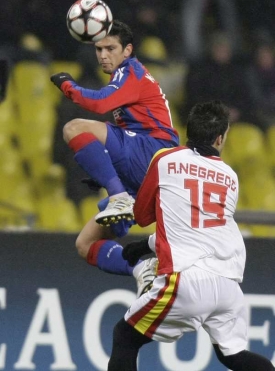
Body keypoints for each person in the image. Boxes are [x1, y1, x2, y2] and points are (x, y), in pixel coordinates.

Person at [108, 100, 275, 371]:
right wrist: (147, 245)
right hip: (229, 285)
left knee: (125, 337)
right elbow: (199, 229)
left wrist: (145, 238)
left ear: (188, 130)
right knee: (232, 356)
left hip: (188, 280)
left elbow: (143, 216)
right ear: (220, 138)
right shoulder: (230, 177)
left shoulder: (166, 159)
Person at [50, 20, 179, 278]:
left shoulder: (131, 70)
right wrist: (104, 170)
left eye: (110, 48)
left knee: (74, 128)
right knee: (84, 244)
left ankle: (119, 196)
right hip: (144, 170)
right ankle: (143, 271)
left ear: (127, 50)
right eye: (99, 49)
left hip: (154, 150)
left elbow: (99, 103)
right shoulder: (125, 77)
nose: (103, 55)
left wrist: (68, 85)